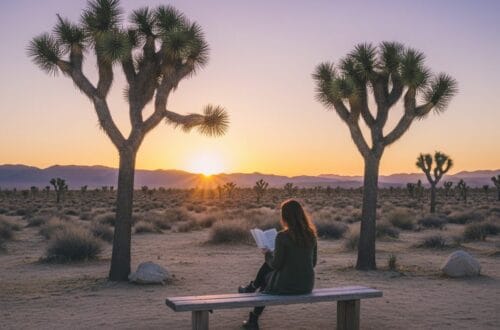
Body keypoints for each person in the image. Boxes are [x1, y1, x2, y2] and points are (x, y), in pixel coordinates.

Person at [238, 199, 318, 329]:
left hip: (287, 285)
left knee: (266, 277)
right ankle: (252, 295)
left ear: (285, 217)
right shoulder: (311, 235)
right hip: (306, 285)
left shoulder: (283, 236)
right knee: (268, 277)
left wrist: (267, 254)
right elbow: (312, 263)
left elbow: (276, 265)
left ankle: (252, 298)